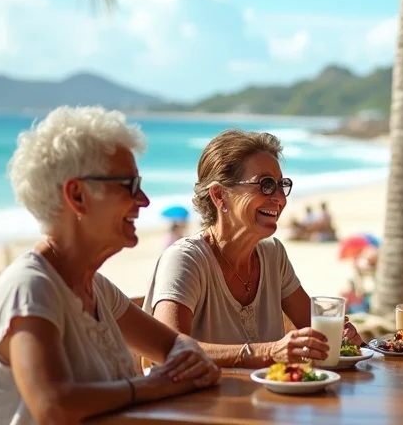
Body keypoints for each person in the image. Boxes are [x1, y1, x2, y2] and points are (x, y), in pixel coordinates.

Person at [0, 106, 219, 424]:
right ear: (77, 195)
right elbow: (53, 406)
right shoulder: (31, 287)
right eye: (129, 185)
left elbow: (174, 343)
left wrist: (189, 358)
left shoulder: (95, 287)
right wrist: (154, 385)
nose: (143, 200)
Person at [145, 129, 362, 368]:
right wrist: (269, 352)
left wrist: (340, 336)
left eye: (282, 185)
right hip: (200, 404)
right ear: (219, 195)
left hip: (265, 402)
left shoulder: (272, 253)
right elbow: (168, 348)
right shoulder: (185, 259)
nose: (280, 198)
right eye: (266, 184)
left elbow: (313, 328)